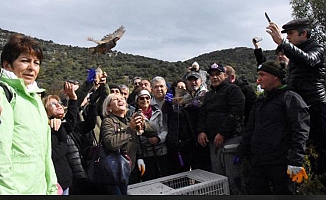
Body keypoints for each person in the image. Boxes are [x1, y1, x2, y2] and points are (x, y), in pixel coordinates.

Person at [238, 60, 310, 194]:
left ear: (275, 76)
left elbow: (300, 132)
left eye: (262, 75)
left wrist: (296, 161)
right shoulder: (260, 101)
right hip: (259, 162)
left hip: (281, 163)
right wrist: (242, 150)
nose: (258, 79)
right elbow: (250, 128)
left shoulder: (290, 98)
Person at [266, 18, 326, 179]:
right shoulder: (294, 54)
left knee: (321, 148)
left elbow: (309, 60)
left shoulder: (317, 48)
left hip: (315, 107)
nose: (288, 37)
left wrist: (282, 43)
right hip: (299, 108)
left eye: (291, 33)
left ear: (304, 33)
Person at [0, 34, 58, 194]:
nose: (32, 67)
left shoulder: (35, 99)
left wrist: (51, 188)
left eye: (37, 63)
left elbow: (45, 153)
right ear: (7, 65)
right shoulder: (4, 94)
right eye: (25, 61)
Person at [197, 63, 245, 194]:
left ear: (224, 75)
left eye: (218, 74)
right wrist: (201, 131)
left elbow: (236, 112)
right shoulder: (208, 95)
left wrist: (223, 133)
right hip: (213, 143)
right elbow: (202, 114)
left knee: (234, 178)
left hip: (231, 140)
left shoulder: (233, 90)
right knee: (218, 178)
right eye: (211, 75)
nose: (214, 77)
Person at [99, 93, 157, 194]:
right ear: (109, 107)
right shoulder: (108, 121)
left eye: (122, 98)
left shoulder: (130, 119)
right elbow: (111, 143)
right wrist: (131, 129)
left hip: (131, 169)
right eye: (115, 99)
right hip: (115, 172)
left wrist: (143, 124)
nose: (120, 100)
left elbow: (154, 131)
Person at [43, 82, 78, 195]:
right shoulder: (43, 128)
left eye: (59, 103)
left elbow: (71, 121)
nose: (58, 105)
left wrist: (73, 98)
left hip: (64, 181)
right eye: (53, 104)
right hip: (49, 183)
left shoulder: (59, 126)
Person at [134, 89, 169, 181]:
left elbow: (165, 129)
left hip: (161, 151)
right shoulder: (133, 115)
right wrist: (146, 140)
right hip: (146, 153)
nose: (145, 100)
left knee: (164, 178)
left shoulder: (158, 112)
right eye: (141, 98)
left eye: (147, 98)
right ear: (137, 101)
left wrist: (158, 138)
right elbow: (135, 135)